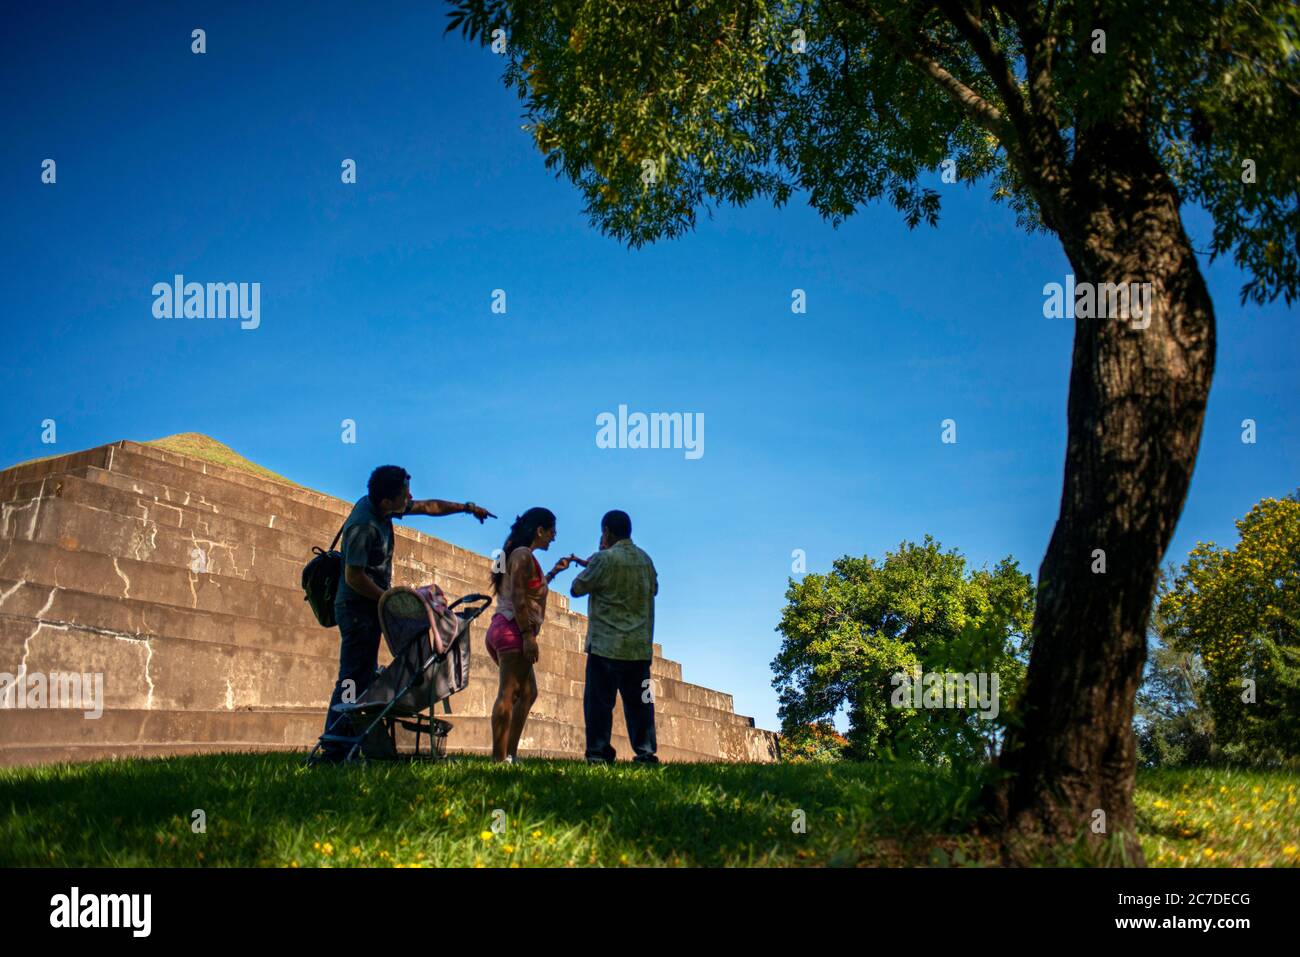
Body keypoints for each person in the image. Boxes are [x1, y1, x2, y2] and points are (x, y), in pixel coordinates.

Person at [318, 465, 493, 762]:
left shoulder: (384, 507)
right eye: (404, 495)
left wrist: (466, 508)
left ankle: (348, 744)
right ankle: (334, 748)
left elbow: (427, 507)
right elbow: (353, 577)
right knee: (351, 678)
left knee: (362, 674)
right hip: (356, 609)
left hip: (369, 609)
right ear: (386, 501)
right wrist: (389, 600)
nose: (410, 498)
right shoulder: (364, 525)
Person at [485, 507, 575, 763]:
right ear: (540, 531)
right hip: (514, 629)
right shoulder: (523, 555)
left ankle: (509, 755)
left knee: (527, 693)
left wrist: (554, 572)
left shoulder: (520, 556)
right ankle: (499, 758)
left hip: (503, 628)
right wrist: (528, 636)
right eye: (552, 531)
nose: (554, 537)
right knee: (508, 692)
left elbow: (530, 590)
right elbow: (519, 597)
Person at [570, 510, 659, 764]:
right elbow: (654, 588)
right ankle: (645, 752)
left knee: (599, 703)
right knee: (641, 704)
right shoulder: (646, 561)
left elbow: (576, 588)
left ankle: (598, 752)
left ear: (606, 531)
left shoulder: (603, 559)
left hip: (605, 645)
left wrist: (594, 561)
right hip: (638, 648)